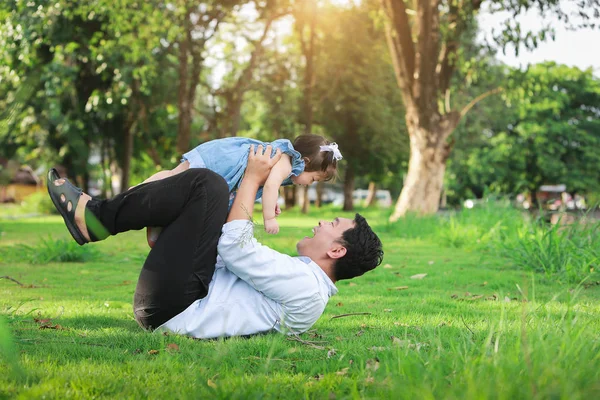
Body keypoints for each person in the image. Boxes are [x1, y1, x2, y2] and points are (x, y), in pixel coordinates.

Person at [46, 145, 383, 339]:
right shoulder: (302, 279)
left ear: (337, 250)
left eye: (333, 224)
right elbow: (229, 256)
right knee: (211, 191)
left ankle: (96, 219)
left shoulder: (306, 285)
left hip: (174, 307)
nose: (322, 222)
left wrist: (252, 179)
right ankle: (104, 218)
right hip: (180, 297)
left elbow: (235, 248)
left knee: (210, 185)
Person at [141, 134, 342, 246]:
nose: (310, 183)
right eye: (314, 178)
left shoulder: (285, 164)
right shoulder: (288, 163)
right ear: (305, 162)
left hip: (225, 164)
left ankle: (160, 222)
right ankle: (139, 191)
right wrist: (268, 218)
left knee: (180, 188)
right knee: (175, 176)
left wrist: (272, 204)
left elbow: (272, 184)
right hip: (223, 161)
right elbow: (271, 184)